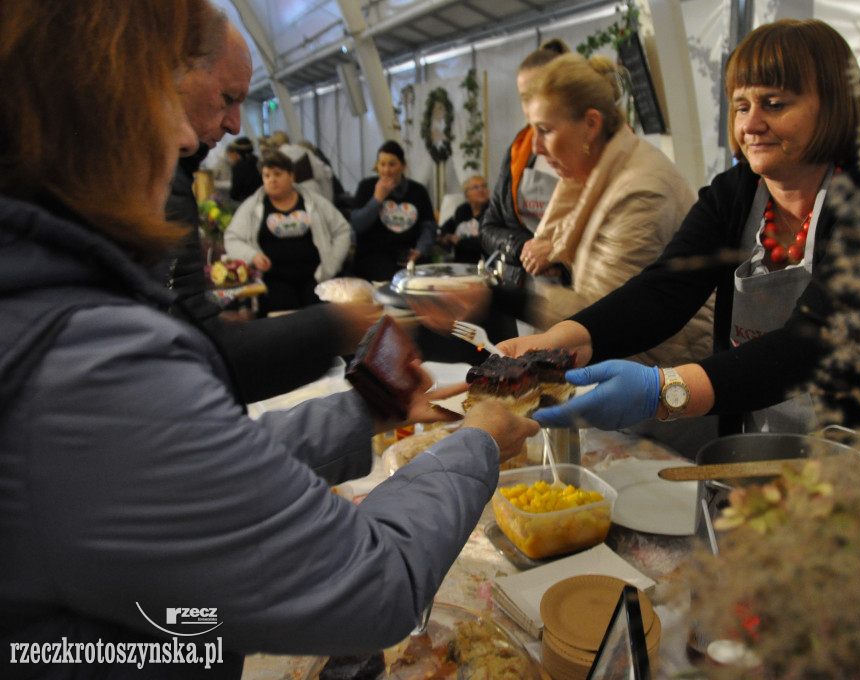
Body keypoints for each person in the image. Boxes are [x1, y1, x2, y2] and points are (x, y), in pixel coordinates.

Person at [0, 5, 539, 680]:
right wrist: (479, 442)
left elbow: (182, 463)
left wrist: (362, 412)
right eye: (161, 98)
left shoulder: (49, 314)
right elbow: (374, 583)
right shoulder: (84, 362)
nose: (188, 141)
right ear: (103, 107)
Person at [500, 19, 860, 437]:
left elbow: (817, 342)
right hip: (753, 444)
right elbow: (665, 290)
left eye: (774, 104)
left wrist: (665, 391)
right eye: (742, 106)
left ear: (833, 107)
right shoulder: (736, 193)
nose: (751, 124)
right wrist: (562, 341)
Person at [163, 12, 377, 403]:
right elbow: (201, 347)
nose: (235, 126)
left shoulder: (173, 178)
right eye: (228, 99)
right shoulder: (157, 181)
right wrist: (335, 326)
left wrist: (328, 274)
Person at [513, 51, 712, 368]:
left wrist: (499, 297)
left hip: (666, 374)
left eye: (545, 130)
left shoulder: (641, 191)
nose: (535, 147)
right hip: (638, 364)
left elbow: (603, 314)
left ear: (590, 124)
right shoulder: (591, 173)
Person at [479, 39, 569, 287]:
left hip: (581, 296)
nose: (530, 107)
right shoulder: (519, 150)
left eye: (539, 93)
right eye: (524, 97)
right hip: (525, 289)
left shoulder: (589, 152)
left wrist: (557, 257)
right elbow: (488, 228)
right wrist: (527, 249)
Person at [225, 151, 352, 314]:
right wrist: (252, 256)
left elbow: (342, 230)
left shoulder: (315, 202)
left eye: (277, 174)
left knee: (320, 316)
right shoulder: (251, 207)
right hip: (274, 280)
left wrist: (332, 264)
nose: (272, 180)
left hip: (315, 277)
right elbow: (232, 238)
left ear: (291, 176)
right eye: (267, 175)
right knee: (284, 315)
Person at [349, 140, 438, 282]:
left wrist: (421, 249)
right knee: (388, 278)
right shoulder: (366, 187)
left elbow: (429, 226)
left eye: (392, 164)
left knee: (422, 280)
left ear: (403, 166)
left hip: (408, 253)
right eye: (382, 164)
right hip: (374, 254)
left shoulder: (418, 191)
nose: (386, 170)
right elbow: (357, 224)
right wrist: (377, 199)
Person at [269, 130, 335, 201]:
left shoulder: (278, 157)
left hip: (295, 193)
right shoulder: (302, 150)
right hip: (313, 189)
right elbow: (322, 171)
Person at [438, 174, 490, 264]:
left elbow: (488, 240)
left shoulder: (492, 211)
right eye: (475, 187)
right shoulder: (462, 210)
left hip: (483, 263)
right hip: (460, 263)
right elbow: (447, 226)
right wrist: (446, 236)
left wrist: (460, 241)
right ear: (467, 196)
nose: (481, 190)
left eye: (484, 186)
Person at [226, 136, 262, 202]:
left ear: (237, 151)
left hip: (244, 201)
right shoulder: (259, 161)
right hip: (261, 198)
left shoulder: (238, 166)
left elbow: (235, 191)